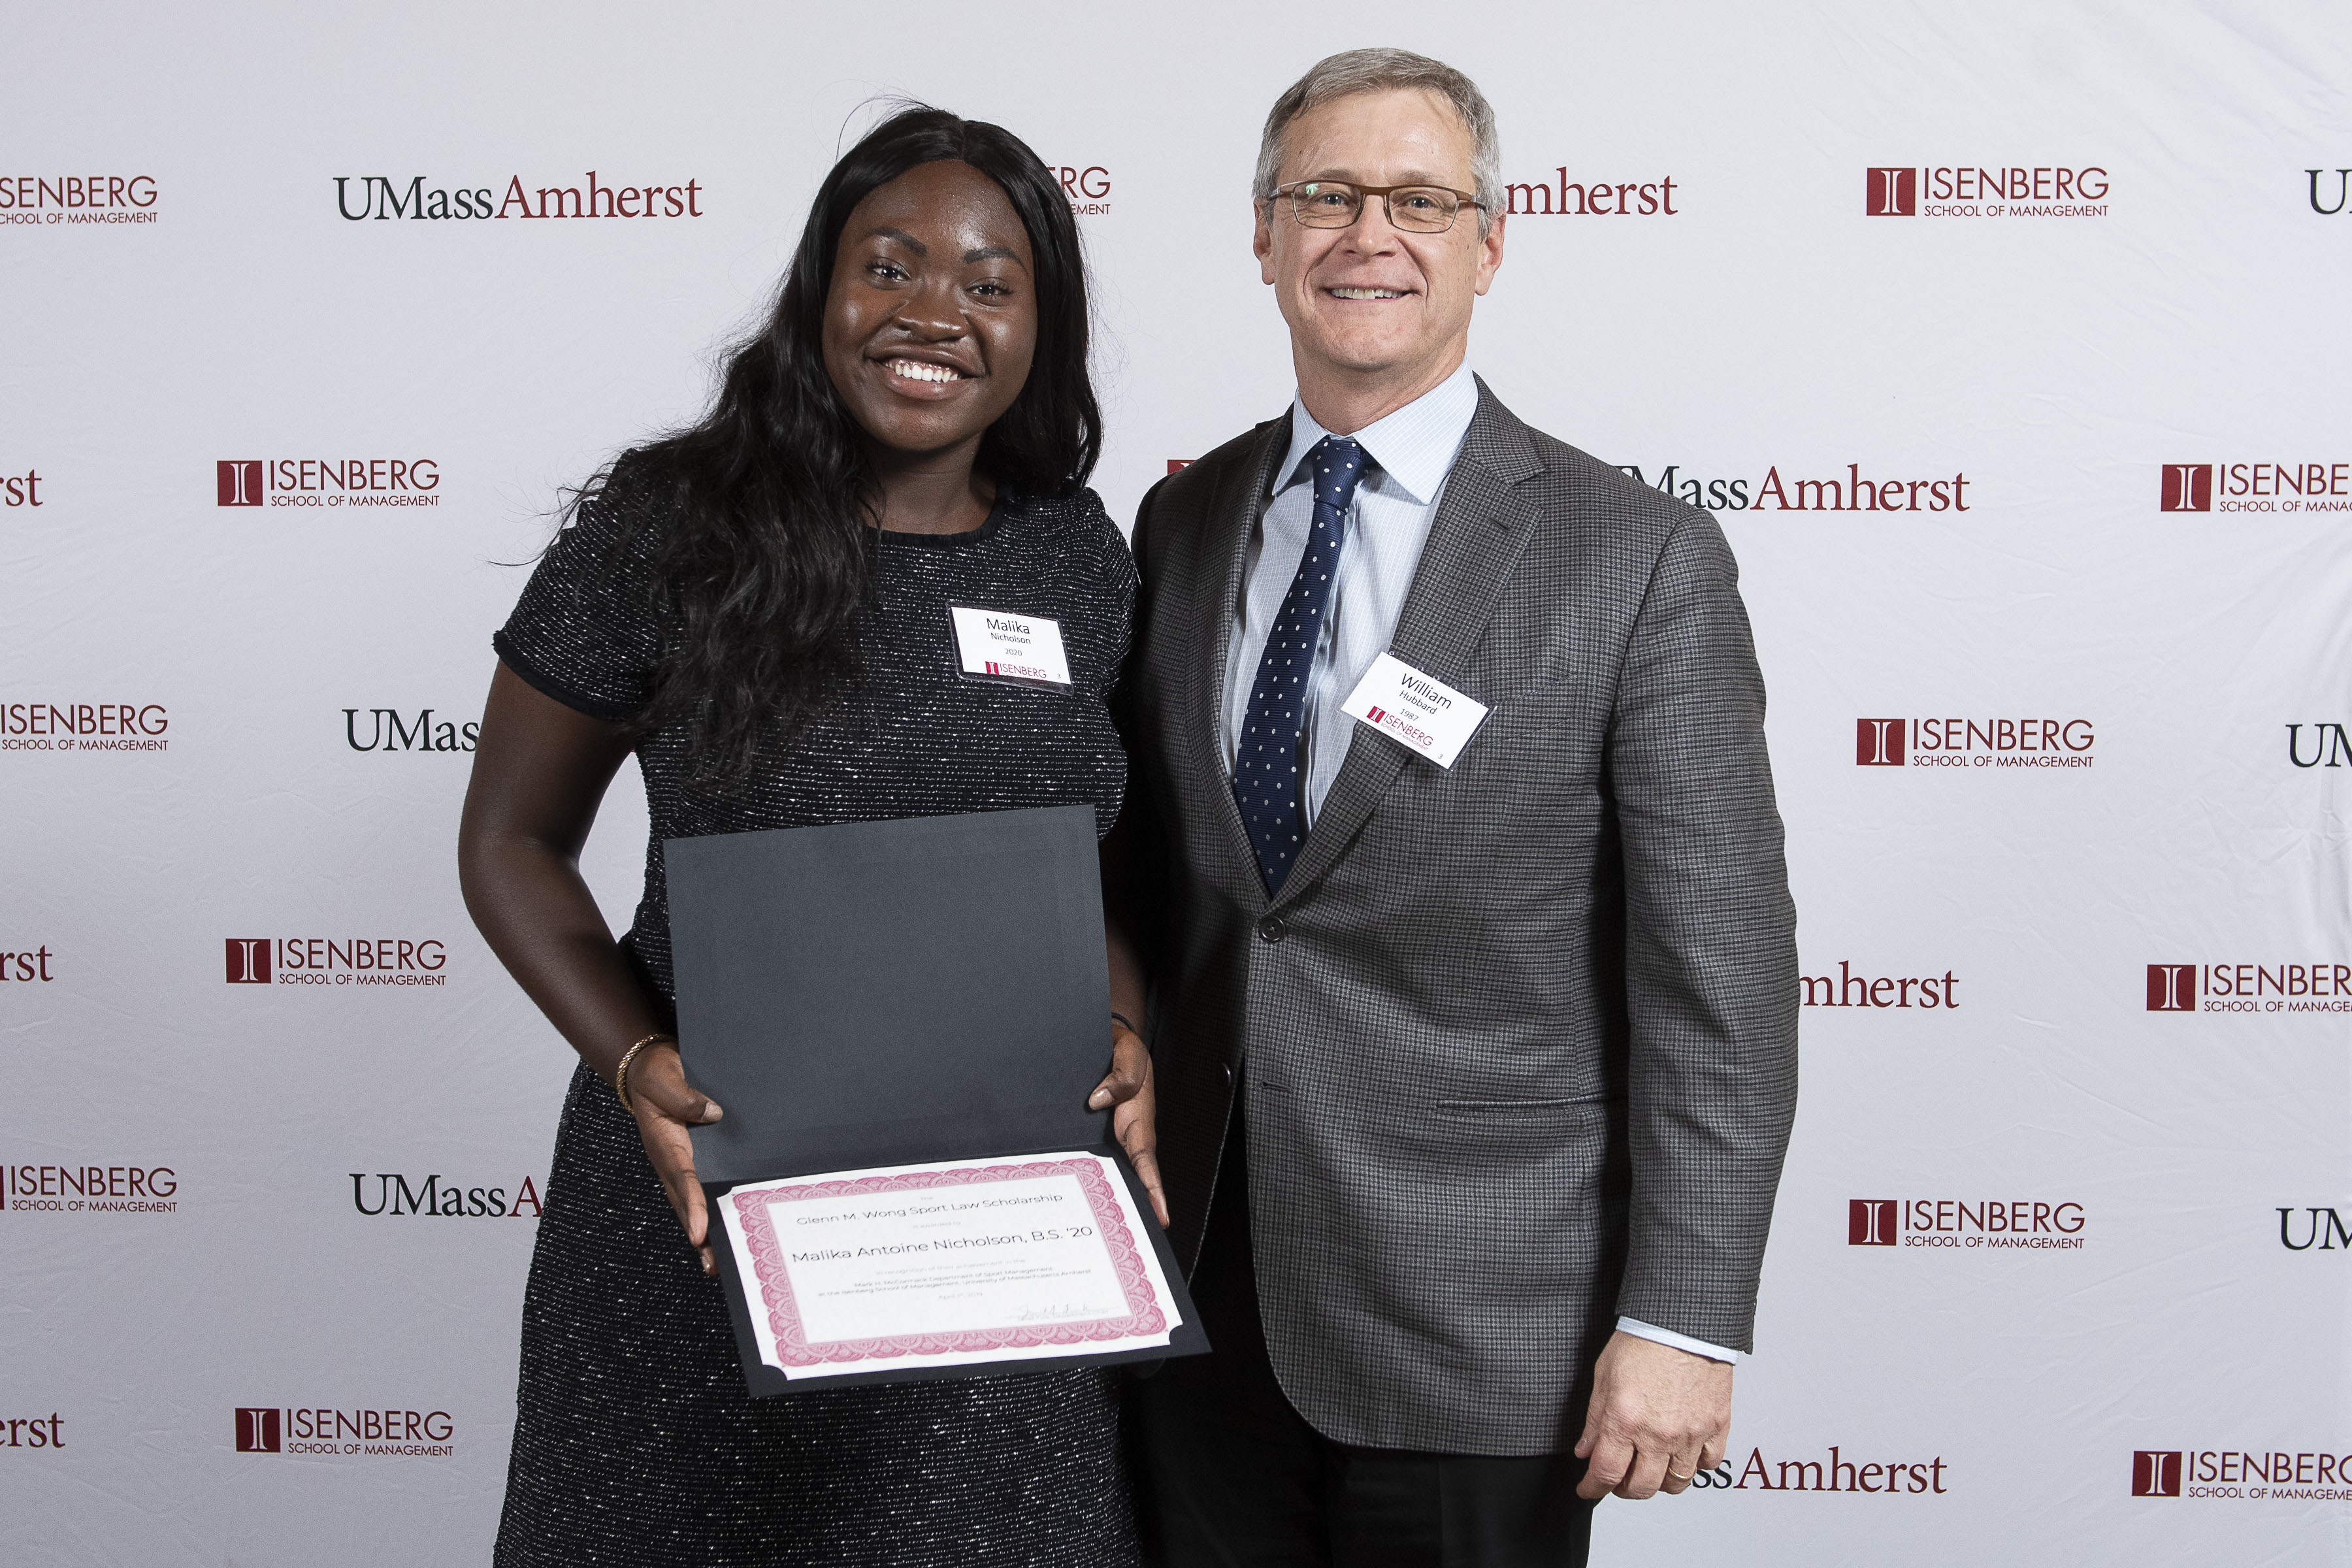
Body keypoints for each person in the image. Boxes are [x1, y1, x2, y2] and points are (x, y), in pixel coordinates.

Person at [1106, 49, 1800, 1567]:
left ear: (1489, 243)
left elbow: (1722, 986)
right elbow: (1161, 885)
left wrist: (1683, 1319)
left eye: (1420, 201)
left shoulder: (1639, 559)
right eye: (1327, 196)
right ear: (1265, 235)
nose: (1371, 235)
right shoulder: (1184, 518)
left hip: (1483, 1329)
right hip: (1198, 1305)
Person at [458, 106, 1159, 1567]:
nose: (933, 314)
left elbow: (1083, 870)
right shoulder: (670, 524)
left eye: (988, 283)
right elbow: (513, 841)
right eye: (888, 266)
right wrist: (636, 1063)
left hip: (996, 1237)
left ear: (1040, 330)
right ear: (821, 290)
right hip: (706, 1214)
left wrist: (1122, 1029)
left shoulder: (1076, 555)